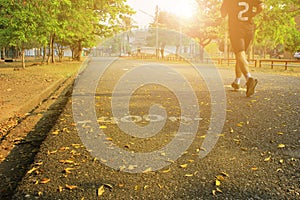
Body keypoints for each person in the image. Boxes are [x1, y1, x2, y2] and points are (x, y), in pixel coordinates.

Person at [221, 0, 264, 97]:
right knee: (241, 56)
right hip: (249, 28)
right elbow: (261, 7)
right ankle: (237, 81)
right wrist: (253, 14)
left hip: (236, 29)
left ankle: (249, 79)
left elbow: (223, 14)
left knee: (240, 54)